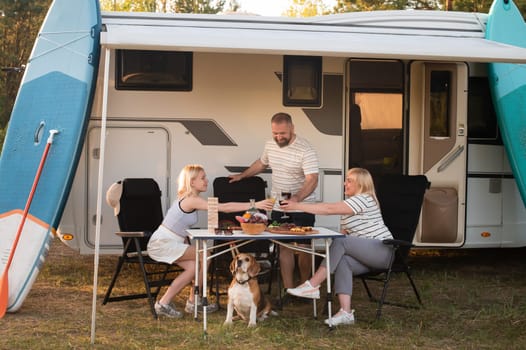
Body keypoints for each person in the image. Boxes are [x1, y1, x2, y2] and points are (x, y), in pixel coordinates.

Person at [147, 164, 274, 318]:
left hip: (171, 242)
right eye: (203, 178)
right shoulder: (190, 200)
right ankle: (194, 301)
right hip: (162, 243)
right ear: (192, 182)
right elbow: (225, 207)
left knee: (194, 266)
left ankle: (168, 303)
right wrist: (255, 205)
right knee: (205, 254)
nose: (206, 181)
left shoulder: (190, 198)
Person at [282, 168, 393, 326]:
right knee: (343, 261)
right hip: (367, 255)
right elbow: (343, 234)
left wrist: (297, 206)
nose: (344, 183)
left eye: (349, 181)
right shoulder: (350, 207)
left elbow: (328, 209)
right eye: (345, 180)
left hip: (384, 251)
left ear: (361, 184)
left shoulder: (365, 198)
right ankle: (346, 312)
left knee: (341, 240)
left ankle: (313, 285)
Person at [229, 112, 319, 300]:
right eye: (275, 133)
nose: (278, 137)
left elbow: (313, 179)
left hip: (303, 205)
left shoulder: (305, 148)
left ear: (292, 128)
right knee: (283, 245)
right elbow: (261, 164)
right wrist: (242, 175)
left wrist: (296, 199)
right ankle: (288, 290)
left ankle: (304, 287)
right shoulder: (270, 144)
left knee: (303, 246)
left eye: (283, 133)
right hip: (279, 205)